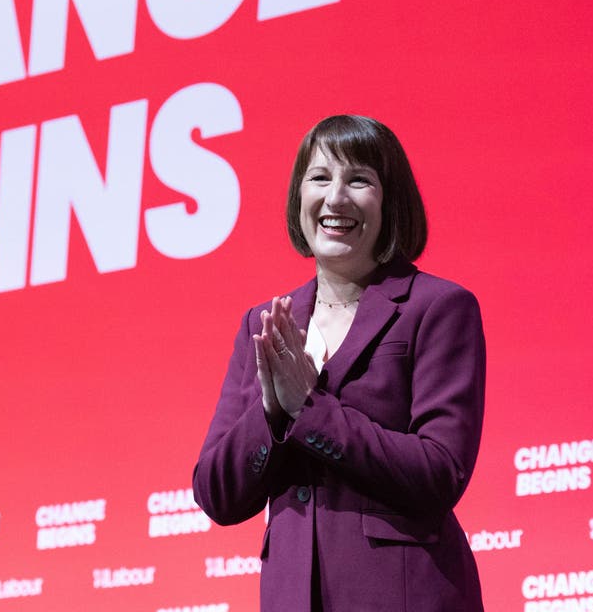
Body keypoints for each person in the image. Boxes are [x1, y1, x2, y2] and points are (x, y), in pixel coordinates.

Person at [192, 114, 486, 611]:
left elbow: (440, 472)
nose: (335, 199)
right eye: (320, 177)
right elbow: (216, 492)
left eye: (359, 180)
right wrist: (271, 413)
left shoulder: (437, 307)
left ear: (390, 202)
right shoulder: (263, 325)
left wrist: (309, 407)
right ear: (298, 197)